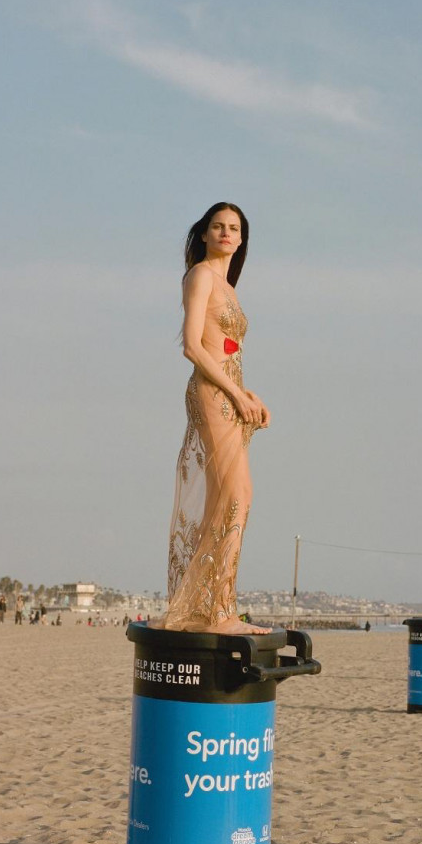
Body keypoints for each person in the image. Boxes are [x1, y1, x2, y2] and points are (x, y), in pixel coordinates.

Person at [152, 202, 270, 635]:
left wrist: (249, 394)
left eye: (233, 228)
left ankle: (208, 608)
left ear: (241, 240)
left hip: (231, 394)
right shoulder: (201, 276)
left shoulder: (228, 285)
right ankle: (219, 613)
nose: (225, 233)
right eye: (217, 226)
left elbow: (227, 350)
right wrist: (236, 395)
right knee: (238, 495)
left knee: (228, 499)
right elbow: (192, 346)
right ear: (204, 233)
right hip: (213, 395)